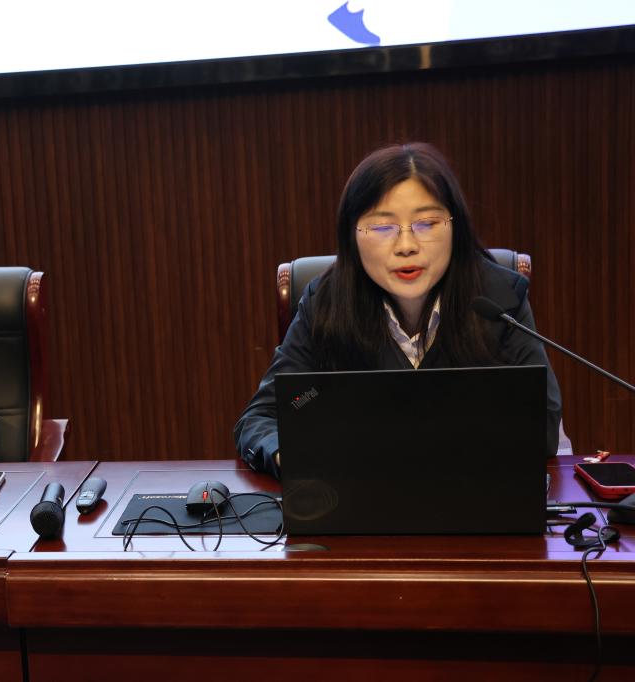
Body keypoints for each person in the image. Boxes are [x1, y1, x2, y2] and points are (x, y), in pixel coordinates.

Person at [234, 142, 562, 478]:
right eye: (382, 227)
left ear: (455, 228)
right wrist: (289, 456)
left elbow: (544, 427)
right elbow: (263, 418)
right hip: (357, 496)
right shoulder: (327, 304)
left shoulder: (499, 300)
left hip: (473, 493)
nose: (406, 246)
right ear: (352, 236)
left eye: (427, 223)